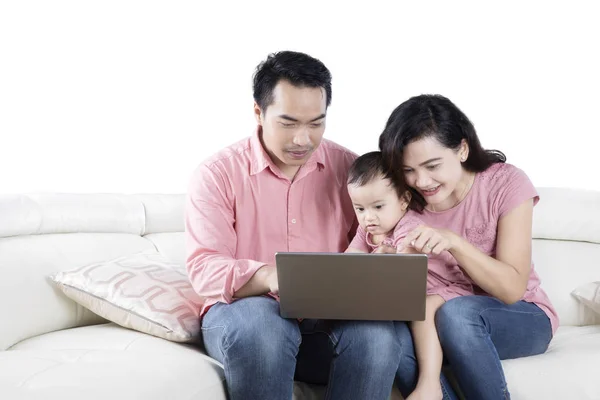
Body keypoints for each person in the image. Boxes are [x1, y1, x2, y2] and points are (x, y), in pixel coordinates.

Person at [185, 51, 402, 400]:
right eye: (288, 124)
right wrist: (272, 277)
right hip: (247, 319)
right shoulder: (217, 175)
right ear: (258, 112)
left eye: (316, 123)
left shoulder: (350, 169)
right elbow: (205, 269)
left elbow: (370, 243)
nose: (303, 139)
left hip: (325, 323)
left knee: (376, 336)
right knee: (262, 324)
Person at [378, 94, 559, 399]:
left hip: (520, 315)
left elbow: (512, 289)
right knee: (391, 336)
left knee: (457, 314)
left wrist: (455, 243)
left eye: (432, 165)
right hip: (439, 322)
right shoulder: (404, 204)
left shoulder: (506, 184)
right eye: (408, 170)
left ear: (462, 149)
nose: (421, 181)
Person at [345, 150, 473, 400]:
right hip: (408, 295)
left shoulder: (410, 225)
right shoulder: (369, 230)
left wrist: (384, 258)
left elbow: (403, 270)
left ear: (403, 200)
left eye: (378, 206)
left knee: (422, 310)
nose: (368, 217)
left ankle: (430, 384)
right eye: (359, 208)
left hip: (446, 288)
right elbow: (350, 262)